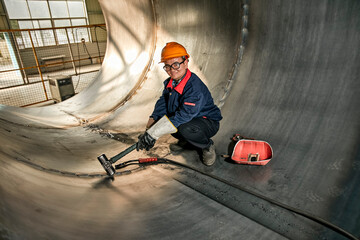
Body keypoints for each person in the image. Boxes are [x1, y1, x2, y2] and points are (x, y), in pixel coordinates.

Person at [137, 42, 222, 166]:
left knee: (182, 127)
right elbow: (163, 104)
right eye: (167, 66)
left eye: (176, 64)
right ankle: (186, 140)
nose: (172, 70)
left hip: (206, 122)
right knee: (167, 121)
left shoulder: (194, 88)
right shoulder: (170, 82)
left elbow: (184, 115)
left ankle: (207, 146)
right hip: (189, 120)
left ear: (186, 62)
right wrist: (148, 130)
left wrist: (153, 134)